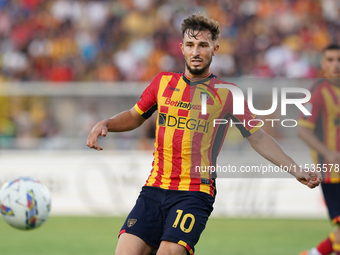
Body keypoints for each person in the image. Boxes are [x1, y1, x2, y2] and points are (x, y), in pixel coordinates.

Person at [87, 14, 321, 255]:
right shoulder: (163, 82)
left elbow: (258, 137)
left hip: (194, 192)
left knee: (169, 252)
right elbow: (135, 115)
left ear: (215, 49)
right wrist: (107, 123)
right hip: (154, 188)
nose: (195, 51)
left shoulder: (228, 94)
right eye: (190, 45)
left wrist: (296, 169)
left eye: (202, 45)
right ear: (182, 48)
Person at [298, 44, 340, 255]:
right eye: (330, 60)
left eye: (339, 60)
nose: (336, 65)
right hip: (333, 174)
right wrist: (329, 153)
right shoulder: (317, 91)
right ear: (323, 64)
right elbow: (303, 130)